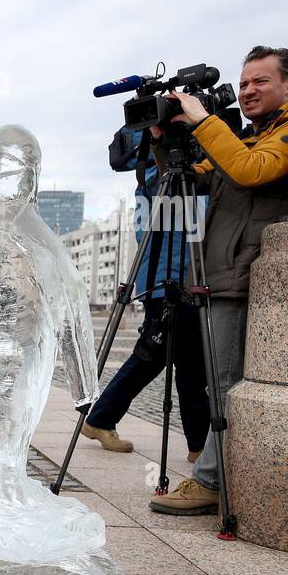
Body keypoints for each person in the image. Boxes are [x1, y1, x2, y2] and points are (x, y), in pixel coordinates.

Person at [148, 45, 288, 515]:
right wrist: (163, 141)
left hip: (246, 274)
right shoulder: (249, 136)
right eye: (245, 82)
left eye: (261, 82)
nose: (249, 91)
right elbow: (193, 183)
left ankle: (211, 480)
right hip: (220, 274)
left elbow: (254, 171)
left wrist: (203, 122)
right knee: (222, 379)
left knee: (227, 381)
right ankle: (221, 474)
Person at [81, 153, 210, 462]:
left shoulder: (162, 173)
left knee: (152, 356)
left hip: (171, 276)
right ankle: (199, 445)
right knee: (186, 364)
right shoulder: (163, 173)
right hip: (172, 279)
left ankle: (100, 418)